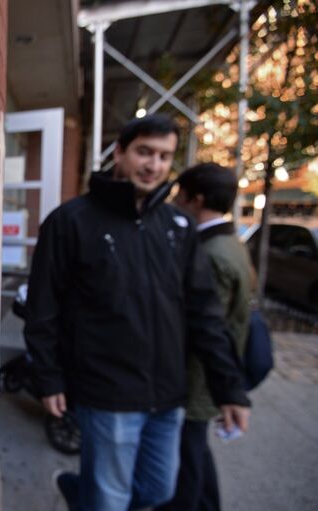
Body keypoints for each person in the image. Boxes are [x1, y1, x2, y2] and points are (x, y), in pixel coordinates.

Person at [23, 114, 251, 511]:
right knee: (111, 501)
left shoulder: (178, 225)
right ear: (120, 153)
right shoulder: (71, 221)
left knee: (159, 490)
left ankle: (79, 492)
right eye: (144, 152)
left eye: (164, 156)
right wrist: (48, 376)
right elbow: (43, 308)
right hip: (106, 393)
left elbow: (205, 314)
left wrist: (229, 388)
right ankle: (90, 496)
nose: (154, 165)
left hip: (167, 394)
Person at [156, 163, 254, 511]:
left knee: (184, 466)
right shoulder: (229, 242)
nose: (176, 202)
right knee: (196, 455)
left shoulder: (211, 253)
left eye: (180, 195)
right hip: (207, 375)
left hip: (197, 377)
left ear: (195, 199)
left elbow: (205, 323)